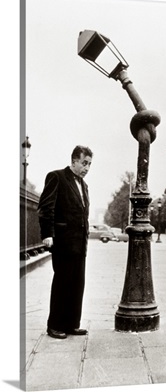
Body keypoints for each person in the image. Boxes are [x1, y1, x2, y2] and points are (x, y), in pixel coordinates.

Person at [38, 145, 93, 339]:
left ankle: (71, 323)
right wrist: (47, 234)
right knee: (62, 282)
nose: (87, 168)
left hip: (80, 244)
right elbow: (46, 207)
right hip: (62, 241)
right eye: (84, 163)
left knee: (77, 284)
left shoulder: (84, 185)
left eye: (89, 165)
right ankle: (54, 325)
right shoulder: (57, 177)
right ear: (74, 161)